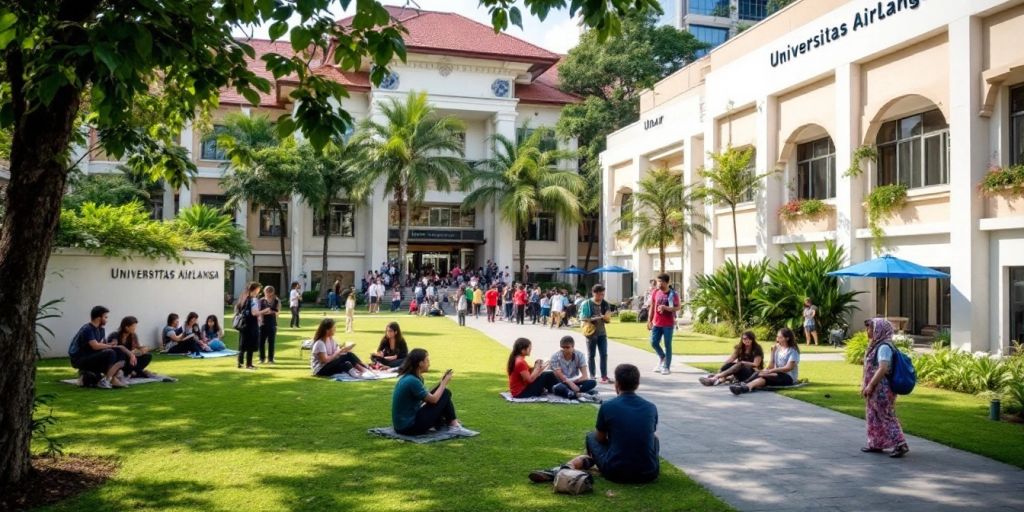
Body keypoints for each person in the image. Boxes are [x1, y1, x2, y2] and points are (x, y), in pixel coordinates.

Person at [529, 364, 659, 484]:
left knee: (591, 436)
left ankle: (564, 468)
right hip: (649, 473)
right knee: (654, 439)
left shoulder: (608, 406)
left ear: (617, 384)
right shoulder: (651, 407)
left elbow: (600, 439)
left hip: (616, 473)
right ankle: (571, 466)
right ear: (637, 384)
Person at [392, 348, 476, 436]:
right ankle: (454, 425)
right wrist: (444, 383)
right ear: (420, 363)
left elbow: (425, 398)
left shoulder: (412, 377)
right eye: (427, 360)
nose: (429, 363)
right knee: (445, 392)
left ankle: (450, 422)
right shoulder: (412, 381)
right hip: (408, 428)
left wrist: (440, 383)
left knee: (442, 392)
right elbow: (433, 400)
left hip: (403, 425)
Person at [861, 318, 910, 458]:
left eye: (870, 328)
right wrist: (864, 385)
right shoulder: (876, 345)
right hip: (875, 388)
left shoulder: (884, 347)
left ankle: (900, 444)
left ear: (879, 330)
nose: (867, 331)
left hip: (882, 388)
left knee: (886, 415)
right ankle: (876, 443)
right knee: (873, 415)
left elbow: (883, 368)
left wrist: (870, 385)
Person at [69, 306, 127, 389]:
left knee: (119, 351)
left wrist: (112, 345)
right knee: (110, 352)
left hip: (92, 356)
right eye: (105, 317)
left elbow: (101, 345)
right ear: (99, 318)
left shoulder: (101, 330)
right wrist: (110, 346)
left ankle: (110, 378)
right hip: (80, 359)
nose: (107, 320)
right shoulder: (87, 329)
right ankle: (108, 379)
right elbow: (95, 346)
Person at [730, 328, 800, 394]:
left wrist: (771, 371)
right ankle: (744, 388)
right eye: (777, 337)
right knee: (762, 379)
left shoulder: (792, 351)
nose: (777, 339)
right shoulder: (778, 349)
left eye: (780, 337)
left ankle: (743, 383)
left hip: (788, 377)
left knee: (759, 374)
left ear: (787, 338)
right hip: (778, 375)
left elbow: (788, 368)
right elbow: (771, 365)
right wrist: (772, 353)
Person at [309, 318, 374, 378]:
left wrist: (344, 350)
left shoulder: (331, 340)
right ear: (327, 330)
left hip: (328, 366)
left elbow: (335, 355)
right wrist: (338, 352)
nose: (335, 329)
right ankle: (365, 370)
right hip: (320, 370)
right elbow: (325, 360)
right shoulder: (320, 343)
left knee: (346, 362)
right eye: (334, 328)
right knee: (347, 356)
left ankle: (360, 374)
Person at [699, 331, 765, 386]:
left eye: (749, 339)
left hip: (752, 373)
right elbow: (731, 359)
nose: (746, 340)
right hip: (739, 371)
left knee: (739, 364)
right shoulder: (740, 348)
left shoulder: (757, 349)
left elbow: (756, 364)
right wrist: (721, 369)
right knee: (729, 364)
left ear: (752, 339)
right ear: (742, 339)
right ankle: (717, 380)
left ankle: (715, 378)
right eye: (744, 339)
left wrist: (743, 362)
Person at [648, 274, 680, 375]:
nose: (658, 284)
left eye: (660, 282)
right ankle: (662, 357)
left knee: (667, 345)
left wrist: (665, 308)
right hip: (657, 323)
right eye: (658, 281)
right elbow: (652, 306)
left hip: (668, 324)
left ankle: (666, 367)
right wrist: (649, 320)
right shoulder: (655, 292)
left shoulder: (673, 294)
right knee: (653, 342)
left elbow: (678, 307)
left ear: (666, 282)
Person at [581, 284, 613, 384]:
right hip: (590, 332)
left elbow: (608, 317)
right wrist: (595, 318)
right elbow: (582, 317)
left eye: (603, 294)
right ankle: (592, 376)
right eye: (599, 295)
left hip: (602, 333)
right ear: (594, 293)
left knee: (604, 354)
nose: (601, 297)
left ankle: (604, 376)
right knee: (591, 355)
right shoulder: (586, 303)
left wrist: (606, 317)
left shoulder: (605, 304)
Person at [549, 336, 598, 401]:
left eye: (567, 347)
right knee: (557, 387)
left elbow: (585, 376)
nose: (565, 350)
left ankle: (572, 392)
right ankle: (578, 393)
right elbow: (560, 376)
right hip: (561, 381)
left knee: (592, 382)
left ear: (573, 347)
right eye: (562, 347)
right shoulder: (555, 356)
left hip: (574, 381)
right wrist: (570, 383)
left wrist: (573, 382)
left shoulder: (580, 355)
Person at [235, 282, 262, 370]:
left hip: (243, 324)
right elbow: (254, 313)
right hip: (251, 324)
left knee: (242, 344)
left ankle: (240, 362)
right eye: (258, 289)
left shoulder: (243, 298)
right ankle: (249, 364)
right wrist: (264, 311)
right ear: (254, 289)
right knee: (250, 344)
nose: (259, 291)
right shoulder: (253, 299)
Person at [259, 286, 281, 364]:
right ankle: (262, 358)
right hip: (262, 323)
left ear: (272, 292)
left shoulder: (276, 300)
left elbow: (277, 311)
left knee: (271, 342)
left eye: (269, 292)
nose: (267, 294)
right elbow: (259, 311)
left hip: (272, 323)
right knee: (261, 342)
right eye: (266, 292)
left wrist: (268, 312)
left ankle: (270, 359)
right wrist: (267, 312)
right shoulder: (261, 300)